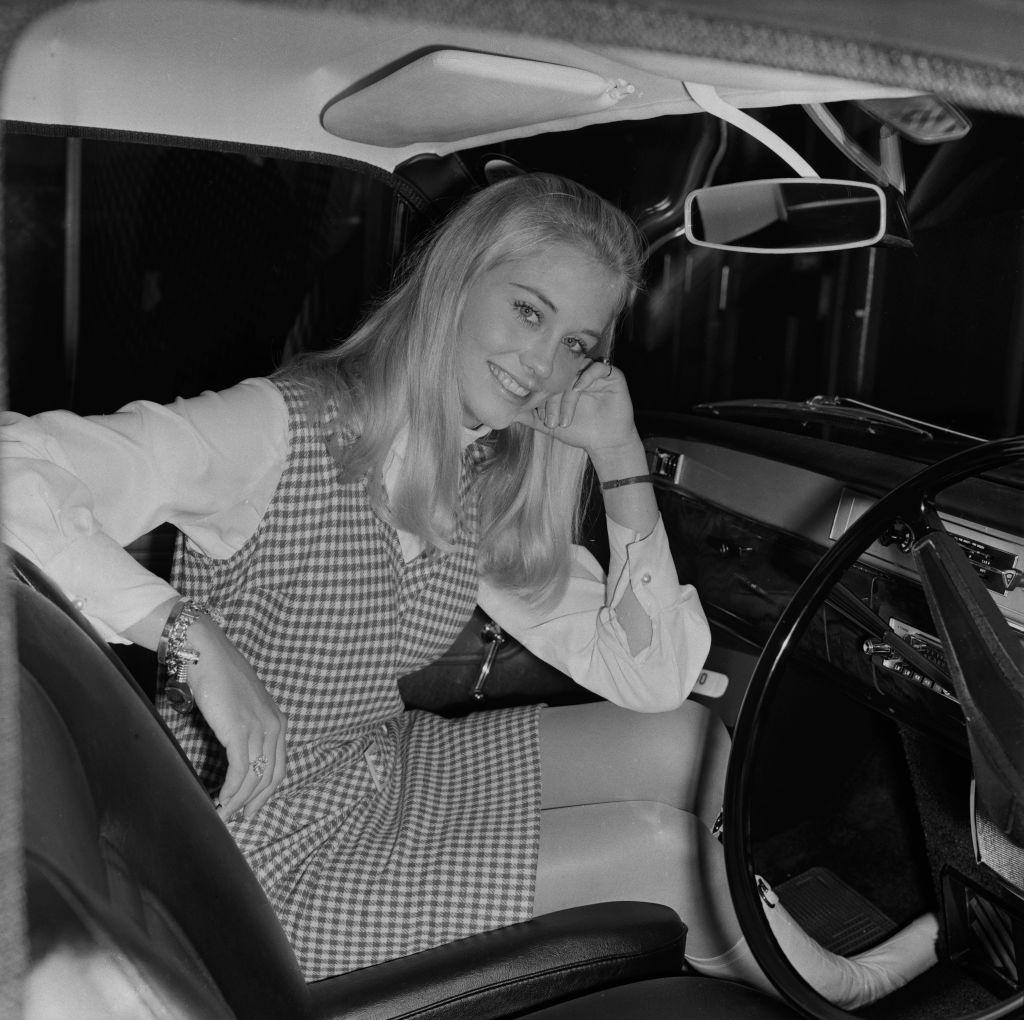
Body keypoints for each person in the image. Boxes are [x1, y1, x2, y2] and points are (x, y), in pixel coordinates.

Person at [2, 173, 936, 1007]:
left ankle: (766, 936)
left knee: (685, 736)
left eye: (576, 342)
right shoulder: (277, 428)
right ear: (456, 282)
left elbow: (651, 678)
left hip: (374, 771)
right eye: (527, 312)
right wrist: (186, 635)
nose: (544, 365)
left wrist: (617, 459)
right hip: (254, 860)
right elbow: (17, 468)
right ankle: (846, 990)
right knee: (666, 849)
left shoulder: (478, 472)